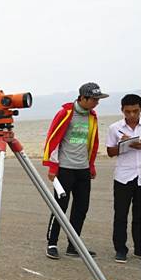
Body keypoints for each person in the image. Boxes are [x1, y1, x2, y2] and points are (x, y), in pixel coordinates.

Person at [42, 82, 109, 260]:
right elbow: (52, 139)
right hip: (64, 170)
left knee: (81, 208)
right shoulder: (65, 113)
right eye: (94, 99)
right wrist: (52, 167)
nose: (97, 103)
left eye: (98, 99)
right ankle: (52, 243)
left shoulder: (92, 116)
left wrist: (91, 165)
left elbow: (93, 142)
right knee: (60, 208)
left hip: (83, 170)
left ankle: (73, 245)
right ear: (83, 98)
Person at [105, 94, 141, 264]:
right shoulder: (114, 128)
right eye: (128, 111)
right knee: (120, 215)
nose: (132, 115)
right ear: (122, 110)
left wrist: (139, 144)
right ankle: (120, 249)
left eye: (135, 111)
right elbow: (110, 152)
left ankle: (140, 248)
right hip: (123, 177)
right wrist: (124, 145)